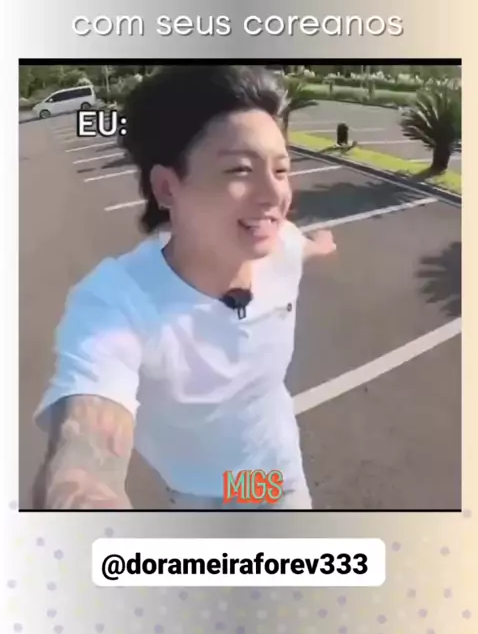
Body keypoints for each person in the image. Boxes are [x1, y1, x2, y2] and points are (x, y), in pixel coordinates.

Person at [32, 65, 336, 510]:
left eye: (281, 169)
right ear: (167, 187)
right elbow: (85, 448)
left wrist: (321, 245)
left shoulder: (282, 245)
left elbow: (300, 246)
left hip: (275, 479)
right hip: (194, 495)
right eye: (240, 169)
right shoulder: (117, 303)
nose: (274, 194)